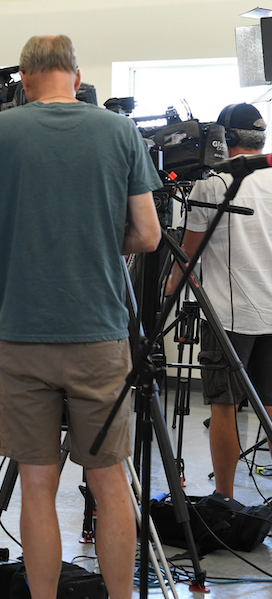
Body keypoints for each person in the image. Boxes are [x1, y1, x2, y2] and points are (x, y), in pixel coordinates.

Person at [0, 35, 161, 599]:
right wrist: (95, 243)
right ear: (77, 76)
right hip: (99, 335)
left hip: (22, 334)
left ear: (24, 80)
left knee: (37, 485)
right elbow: (147, 234)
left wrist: (26, 244)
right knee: (109, 484)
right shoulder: (120, 132)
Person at [165, 102, 272, 499]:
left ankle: (224, 499)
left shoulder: (213, 183)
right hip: (271, 313)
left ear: (225, 139)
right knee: (271, 409)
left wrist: (169, 287)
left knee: (223, 407)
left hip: (228, 316)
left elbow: (187, 254)